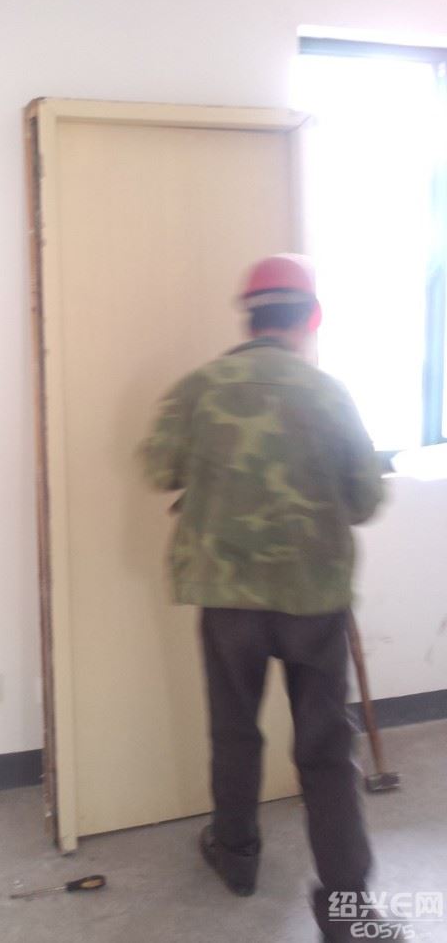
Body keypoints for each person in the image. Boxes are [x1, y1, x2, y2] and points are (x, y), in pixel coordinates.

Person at [139, 254, 394, 941]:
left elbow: (157, 469)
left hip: (229, 602)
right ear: (311, 318)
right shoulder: (330, 395)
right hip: (314, 600)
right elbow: (366, 502)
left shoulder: (200, 389)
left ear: (249, 318)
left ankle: (236, 855)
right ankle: (347, 911)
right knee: (325, 752)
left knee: (234, 731)